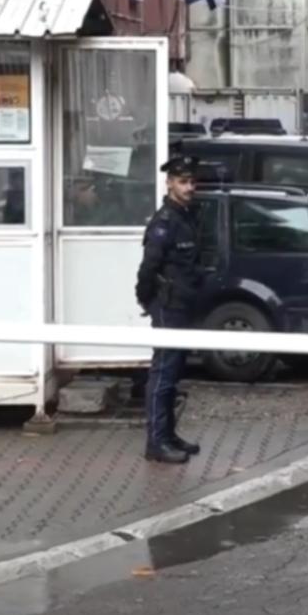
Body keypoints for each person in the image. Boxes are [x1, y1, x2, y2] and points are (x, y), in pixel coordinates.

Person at [135, 155, 205, 464]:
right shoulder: (164, 222)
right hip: (168, 305)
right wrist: (146, 300)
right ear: (169, 183)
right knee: (163, 373)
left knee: (174, 373)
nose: (189, 187)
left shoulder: (186, 216)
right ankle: (156, 442)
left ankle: (168, 434)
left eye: (192, 181)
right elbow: (148, 268)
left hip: (184, 304)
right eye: (182, 181)